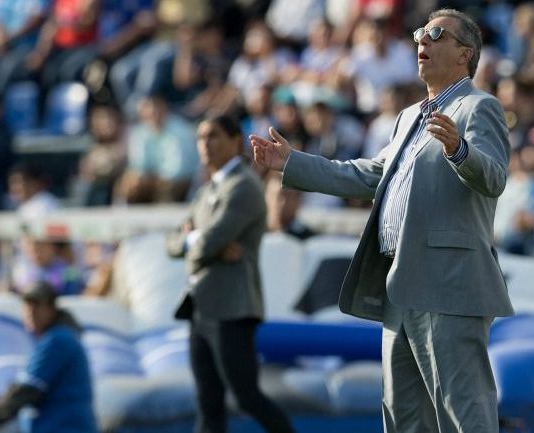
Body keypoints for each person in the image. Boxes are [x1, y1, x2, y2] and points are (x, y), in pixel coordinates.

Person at [251, 8, 513, 432]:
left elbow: (495, 178)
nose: (421, 43)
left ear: (465, 54)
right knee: (403, 417)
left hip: (450, 285)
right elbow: (368, 174)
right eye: (418, 34)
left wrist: (459, 151)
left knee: (464, 416)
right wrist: (291, 163)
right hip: (400, 284)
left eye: (435, 34)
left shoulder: (479, 107)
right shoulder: (409, 116)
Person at [166, 115, 295, 433]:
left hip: (232, 309)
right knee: (208, 406)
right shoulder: (208, 188)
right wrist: (194, 239)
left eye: (213, 136)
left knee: (247, 398)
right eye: (200, 137)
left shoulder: (244, 187)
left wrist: (195, 239)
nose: (205, 144)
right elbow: (173, 243)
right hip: (202, 307)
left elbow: (208, 242)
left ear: (236, 141)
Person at [0, 282, 97, 433]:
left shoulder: (58, 340)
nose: (30, 312)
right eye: (27, 306)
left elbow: (26, 390)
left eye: (37, 306)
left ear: (51, 309)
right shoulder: (59, 338)